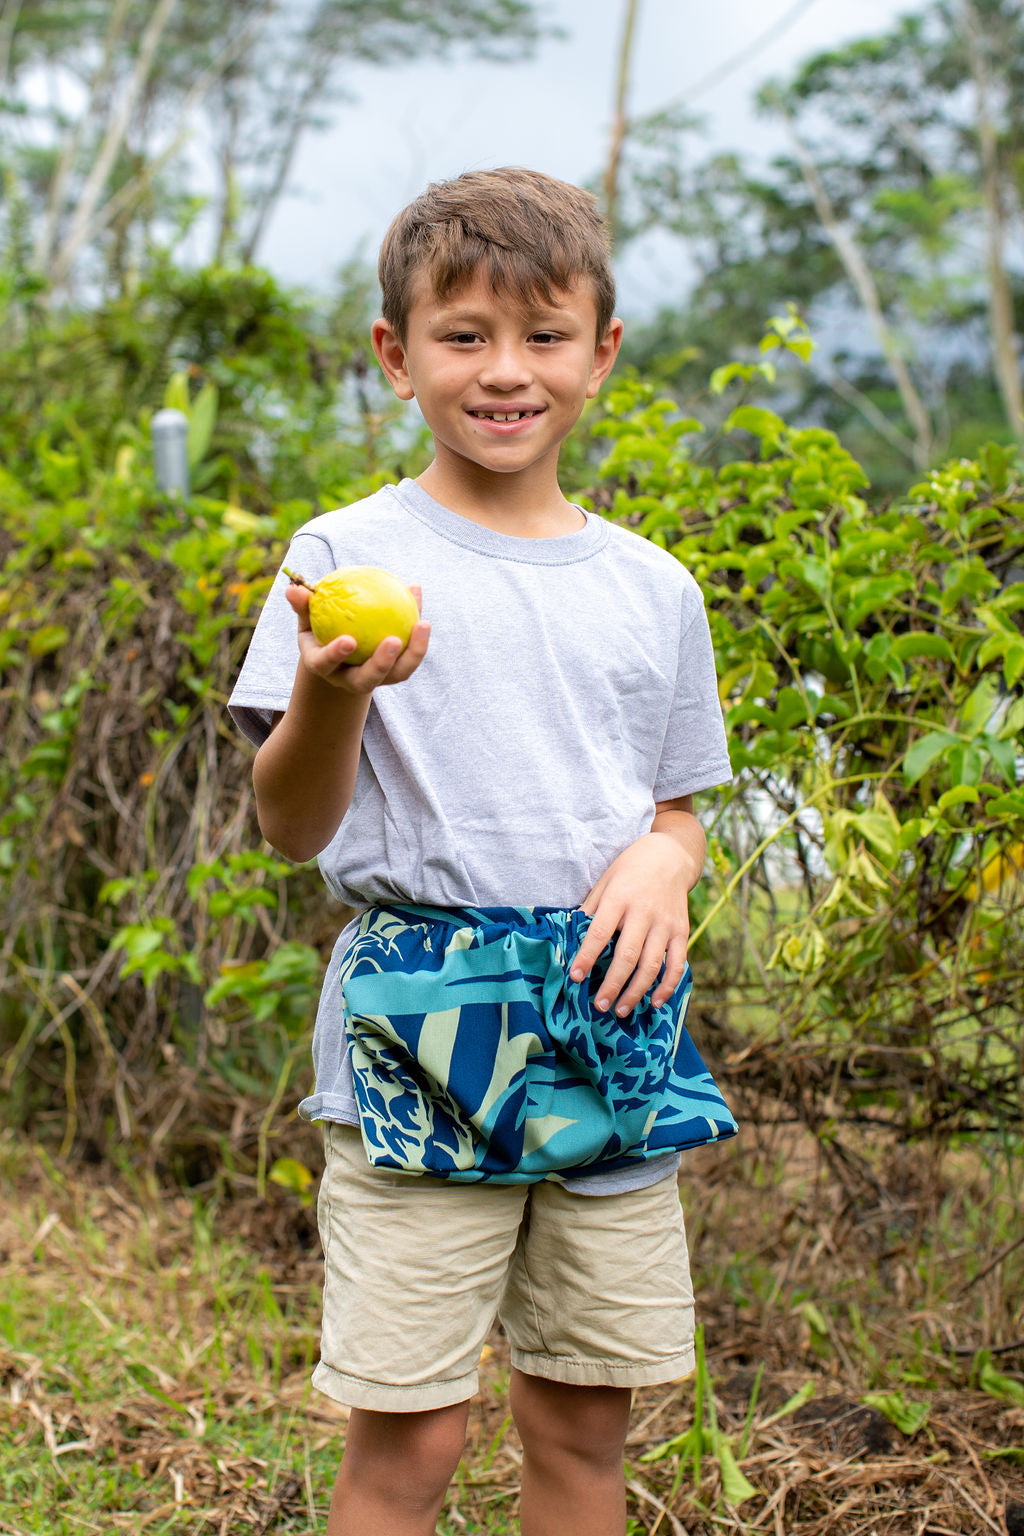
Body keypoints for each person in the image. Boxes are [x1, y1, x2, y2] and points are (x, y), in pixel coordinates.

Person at [229, 166, 734, 1536]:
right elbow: (290, 826)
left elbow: (679, 804)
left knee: (582, 1428)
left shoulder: (652, 588)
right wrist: (338, 691)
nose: (506, 372)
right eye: (463, 336)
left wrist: (669, 857)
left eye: (544, 335)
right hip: (419, 1026)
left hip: (610, 1014)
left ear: (601, 353)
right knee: (414, 1439)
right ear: (397, 356)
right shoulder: (345, 555)